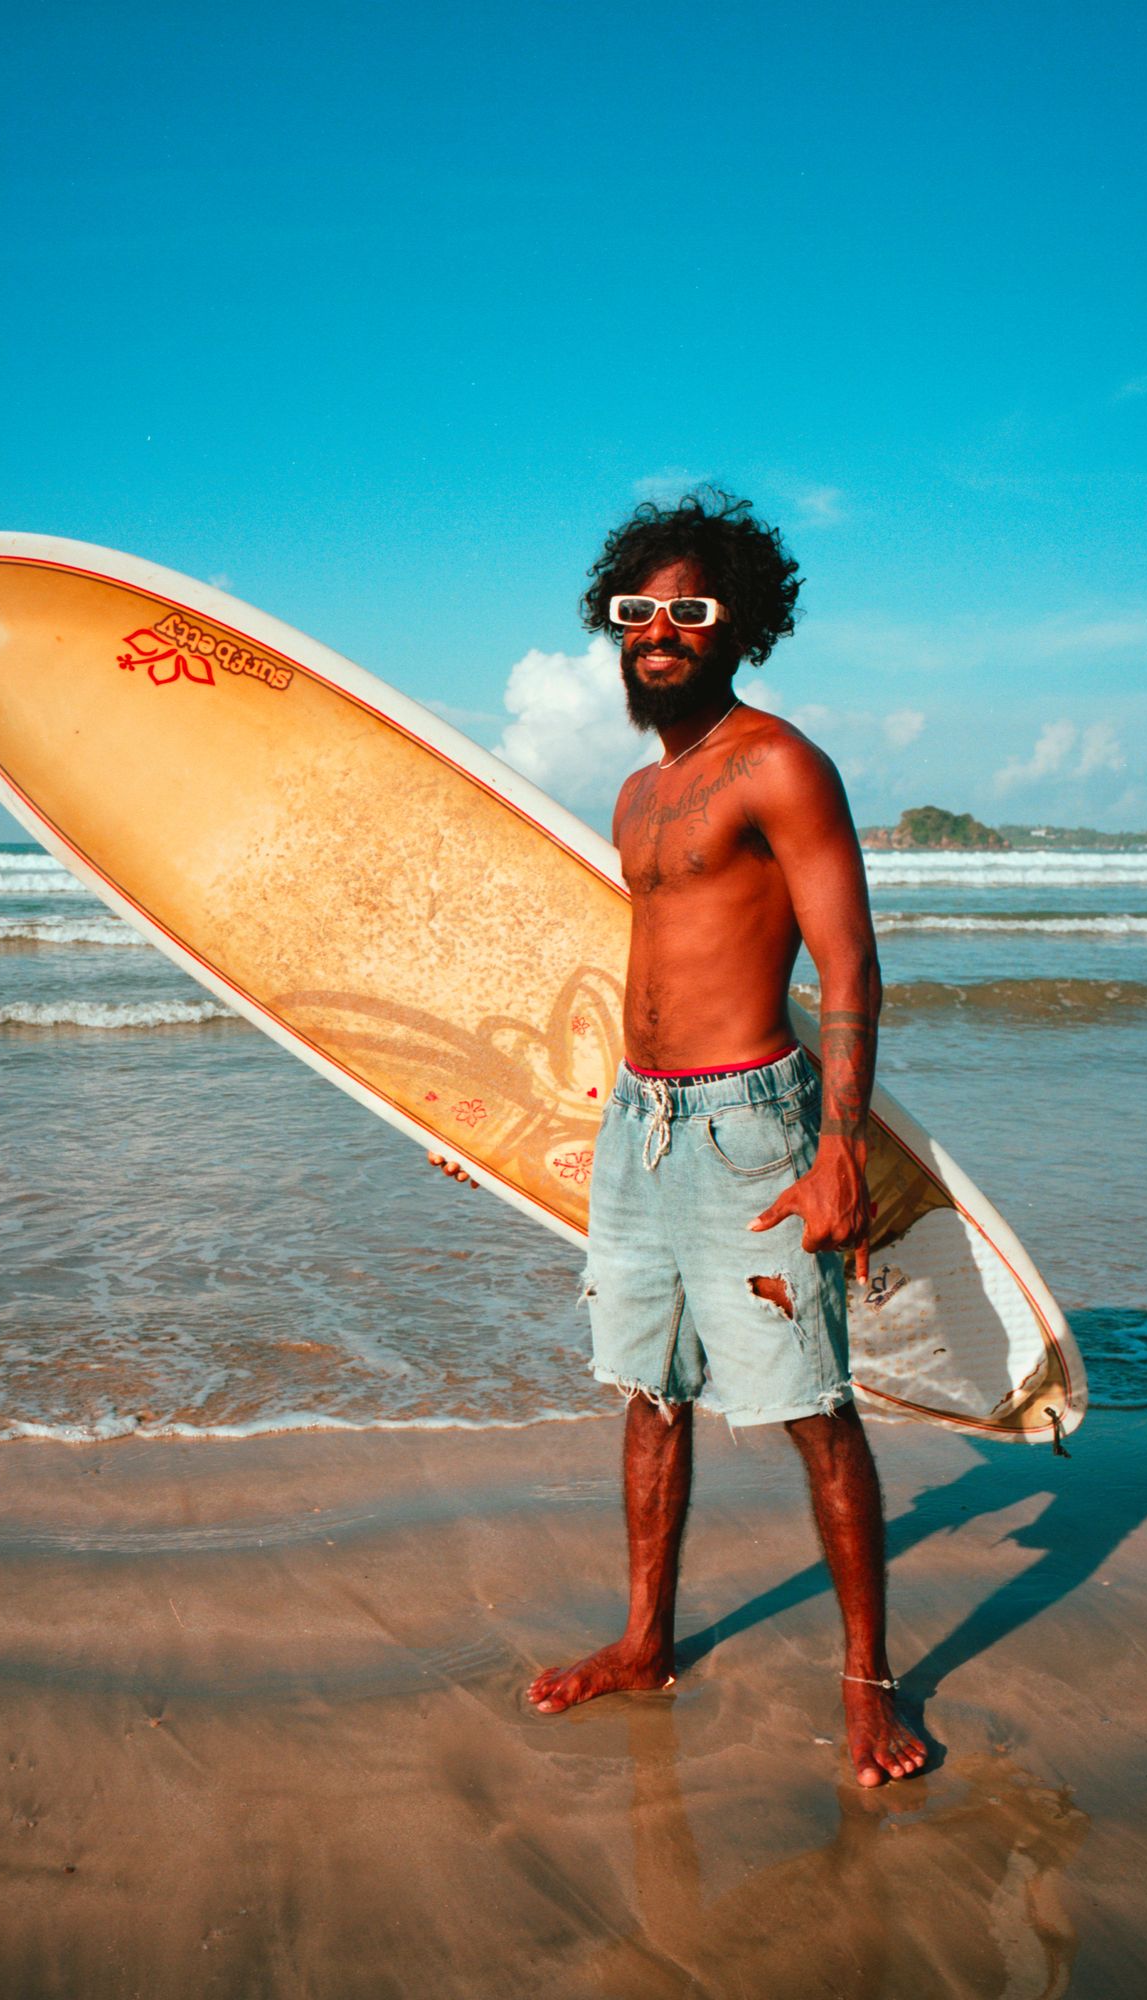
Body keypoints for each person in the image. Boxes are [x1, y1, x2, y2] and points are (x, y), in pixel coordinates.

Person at [432, 491, 928, 1786]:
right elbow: (638, 973)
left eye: (687, 610)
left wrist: (837, 1153)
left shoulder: (779, 765)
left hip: (748, 1123)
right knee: (651, 1394)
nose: (657, 631)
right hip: (637, 1121)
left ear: (738, 626)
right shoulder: (636, 794)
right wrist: (514, 1111)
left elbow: (853, 967)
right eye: (635, 611)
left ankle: (869, 1683)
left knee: (812, 1405)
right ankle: (648, 1641)